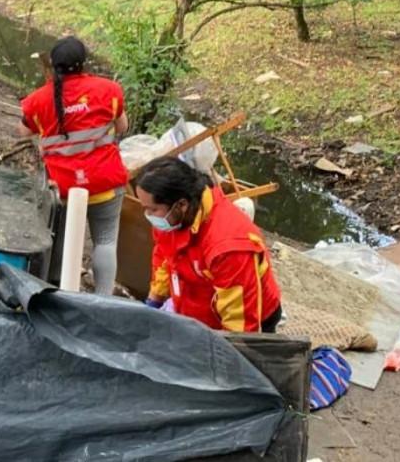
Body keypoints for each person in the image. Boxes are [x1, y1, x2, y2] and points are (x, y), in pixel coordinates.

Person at [19, 36, 128, 295]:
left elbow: (23, 132)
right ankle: (103, 299)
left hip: (63, 188)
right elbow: (122, 126)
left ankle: (60, 293)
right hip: (106, 182)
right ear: (83, 63)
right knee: (105, 242)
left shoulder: (38, 100)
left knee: (60, 242)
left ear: (54, 65)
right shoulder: (110, 90)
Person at [136, 156, 282, 333]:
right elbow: (166, 258)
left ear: (181, 205)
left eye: (152, 209)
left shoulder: (228, 247)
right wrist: (154, 302)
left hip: (247, 315)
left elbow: (240, 326)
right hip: (197, 310)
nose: (148, 215)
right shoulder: (171, 220)